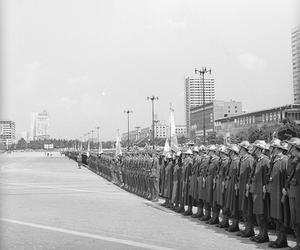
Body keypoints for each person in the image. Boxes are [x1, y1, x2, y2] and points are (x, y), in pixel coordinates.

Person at [268, 139, 289, 248]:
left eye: (272, 147)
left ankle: (283, 240)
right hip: (274, 192)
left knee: (280, 216)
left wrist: (285, 189)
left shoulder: (284, 160)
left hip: (280, 192)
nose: (270, 149)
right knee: (276, 216)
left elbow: (287, 177)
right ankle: (278, 238)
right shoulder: (275, 159)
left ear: (276, 148)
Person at [249, 140, 270, 243]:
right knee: (257, 212)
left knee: (261, 213)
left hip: (261, 190)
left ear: (259, 149)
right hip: (255, 189)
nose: (253, 150)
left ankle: (264, 235)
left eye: (255, 148)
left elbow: (267, 175)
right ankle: (261, 233)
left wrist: (265, 187)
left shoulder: (265, 160)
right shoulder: (257, 160)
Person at [236, 141, 255, 238]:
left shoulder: (250, 159)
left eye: (240, 148)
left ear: (244, 149)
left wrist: (249, 185)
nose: (239, 150)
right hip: (242, 186)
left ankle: (250, 229)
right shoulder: (243, 159)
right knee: (243, 208)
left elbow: (252, 174)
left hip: (247, 187)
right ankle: (247, 228)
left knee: (248, 208)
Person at [286, 137, 300, 250]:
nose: (288, 148)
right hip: (293, 191)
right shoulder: (294, 160)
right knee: (294, 218)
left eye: (290, 146)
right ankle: (298, 242)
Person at [224, 144, 240, 232]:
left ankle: (235, 224)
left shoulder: (236, 161)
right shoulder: (232, 160)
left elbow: (238, 174)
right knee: (230, 204)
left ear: (233, 152)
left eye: (230, 151)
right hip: (230, 183)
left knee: (234, 204)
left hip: (234, 184)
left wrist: (236, 184)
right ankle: (232, 223)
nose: (228, 152)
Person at [181, 149, 193, 215]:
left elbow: (190, 171)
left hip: (188, 180)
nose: (184, 155)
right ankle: (186, 209)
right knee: (185, 194)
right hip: (185, 179)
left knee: (188, 194)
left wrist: (188, 179)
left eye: (185, 154)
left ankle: (189, 209)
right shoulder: (186, 160)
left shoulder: (190, 161)